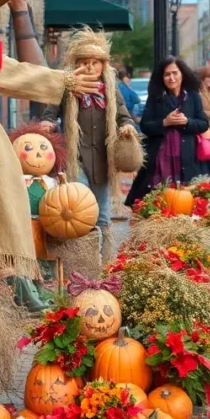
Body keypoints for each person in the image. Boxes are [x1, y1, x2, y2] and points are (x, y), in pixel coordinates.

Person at [40, 29, 141, 263]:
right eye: (84, 62)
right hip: (75, 159)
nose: (89, 67)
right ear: (76, 65)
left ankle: (103, 261)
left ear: (103, 65)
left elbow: (124, 116)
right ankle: (81, 260)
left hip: (103, 161)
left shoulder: (111, 90)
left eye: (94, 62)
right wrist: (48, 123)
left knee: (102, 214)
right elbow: (50, 112)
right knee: (78, 211)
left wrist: (127, 127)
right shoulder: (67, 88)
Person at [126, 57, 210, 206]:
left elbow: (203, 124)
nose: (171, 78)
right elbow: (145, 126)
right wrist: (165, 122)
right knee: (158, 199)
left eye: (175, 73)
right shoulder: (156, 97)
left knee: (187, 198)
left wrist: (187, 122)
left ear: (182, 74)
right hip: (160, 157)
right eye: (167, 74)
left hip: (187, 155)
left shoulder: (192, 95)